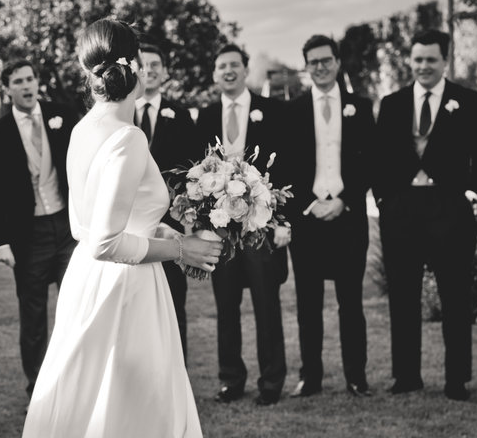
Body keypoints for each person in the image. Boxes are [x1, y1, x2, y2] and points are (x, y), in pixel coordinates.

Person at [23, 18, 222, 437]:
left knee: (90, 399)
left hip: (86, 282)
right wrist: (182, 249)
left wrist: (164, 233)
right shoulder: (128, 137)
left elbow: (93, 222)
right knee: (136, 405)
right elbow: (105, 240)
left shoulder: (81, 130)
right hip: (126, 290)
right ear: (135, 71)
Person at [373, 29, 477, 401]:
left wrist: (473, 192)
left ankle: (457, 379)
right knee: (403, 297)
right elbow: (379, 159)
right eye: (418, 59)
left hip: (449, 209)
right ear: (411, 60)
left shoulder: (467, 101)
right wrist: (386, 201)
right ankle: (407, 375)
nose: (423, 66)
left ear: (444, 61)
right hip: (402, 211)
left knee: (455, 297)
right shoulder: (392, 103)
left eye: (431, 60)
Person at [194, 44, 291, 407]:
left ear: (246, 69)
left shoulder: (273, 111)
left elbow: (288, 166)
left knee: (267, 306)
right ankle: (231, 380)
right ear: (215, 73)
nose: (229, 71)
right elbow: (198, 170)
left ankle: (271, 382)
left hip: (261, 228)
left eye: (235, 64)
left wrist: (282, 220)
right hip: (221, 229)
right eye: (222, 66)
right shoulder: (203, 116)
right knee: (226, 307)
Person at [283, 36, 375, 398]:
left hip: (348, 217)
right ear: (306, 66)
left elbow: (371, 160)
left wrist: (345, 201)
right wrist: (308, 204)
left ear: (338, 62)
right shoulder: (291, 111)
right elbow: (287, 166)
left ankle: (356, 376)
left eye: (325, 60)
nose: (319, 67)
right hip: (308, 219)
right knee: (308, 305)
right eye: (313, 61)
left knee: (351, 303)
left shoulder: (360, 107)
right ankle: (311, 376)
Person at [0, 60, 78, 398]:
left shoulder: (63, 115)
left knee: (77, 304)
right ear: (7, 88)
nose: (26, 86)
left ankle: (77, 379)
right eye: (18, 81)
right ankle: (39, 388)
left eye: (31, 78)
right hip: (28, 234)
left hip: (67, 227)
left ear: (38, 81)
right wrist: (0, 242)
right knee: (33, 314)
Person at [135, 42, 198, 359]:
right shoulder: (122, 115)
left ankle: (178, 374)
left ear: (165, 71)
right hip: (131, 225)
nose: (151, 69)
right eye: (144, 63)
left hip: (172, 225)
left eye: (157, 63)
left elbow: (193, 170)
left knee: (174, 302)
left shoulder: (182, 115)